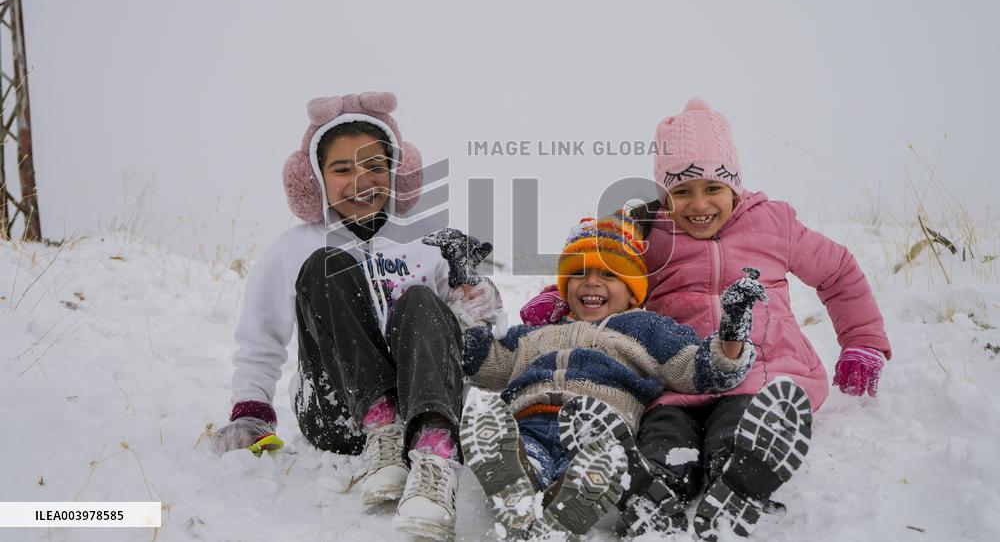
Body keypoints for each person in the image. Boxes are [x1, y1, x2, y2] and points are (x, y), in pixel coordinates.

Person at [520, 98, 892, 540]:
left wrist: (862, 341)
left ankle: (737, 477)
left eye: (713, 188)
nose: (699, 204)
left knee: (740, 426)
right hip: (677, 379)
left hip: (758, 373)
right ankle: (653, 490)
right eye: (681, 191)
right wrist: (557, 298)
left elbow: (838, 272)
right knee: (664, 433)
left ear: (735, 185)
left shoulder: (774, 224)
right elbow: (596, 265)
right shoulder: (646, 230)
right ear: (664, 193)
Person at [210, 92, 502, 542]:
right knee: (328, 266)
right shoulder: (294, 249)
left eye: (373, 167)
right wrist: (252, 412)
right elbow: (261, 340)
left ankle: (433, 452)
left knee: (423, 301)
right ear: (316, 180)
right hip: (337, 412)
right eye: (342, 169)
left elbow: (478, 333)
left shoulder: (428, 240)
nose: (360, 180)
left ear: (396, 173)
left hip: (423, 406)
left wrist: (478, 301)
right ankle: (378, 429)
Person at [460, 213, 759, 539]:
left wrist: (732, 332)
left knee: (592, 464)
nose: (591, 281)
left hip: (597, 427)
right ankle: (522, 486)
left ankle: (571, 496)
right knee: (528, 454)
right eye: (580, 273)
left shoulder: (648, 329)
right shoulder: (536, 333)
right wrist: (470, 309)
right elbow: (485, 364)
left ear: (633, 292)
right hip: (529, 419)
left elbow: (698, 369)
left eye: (608, 273)